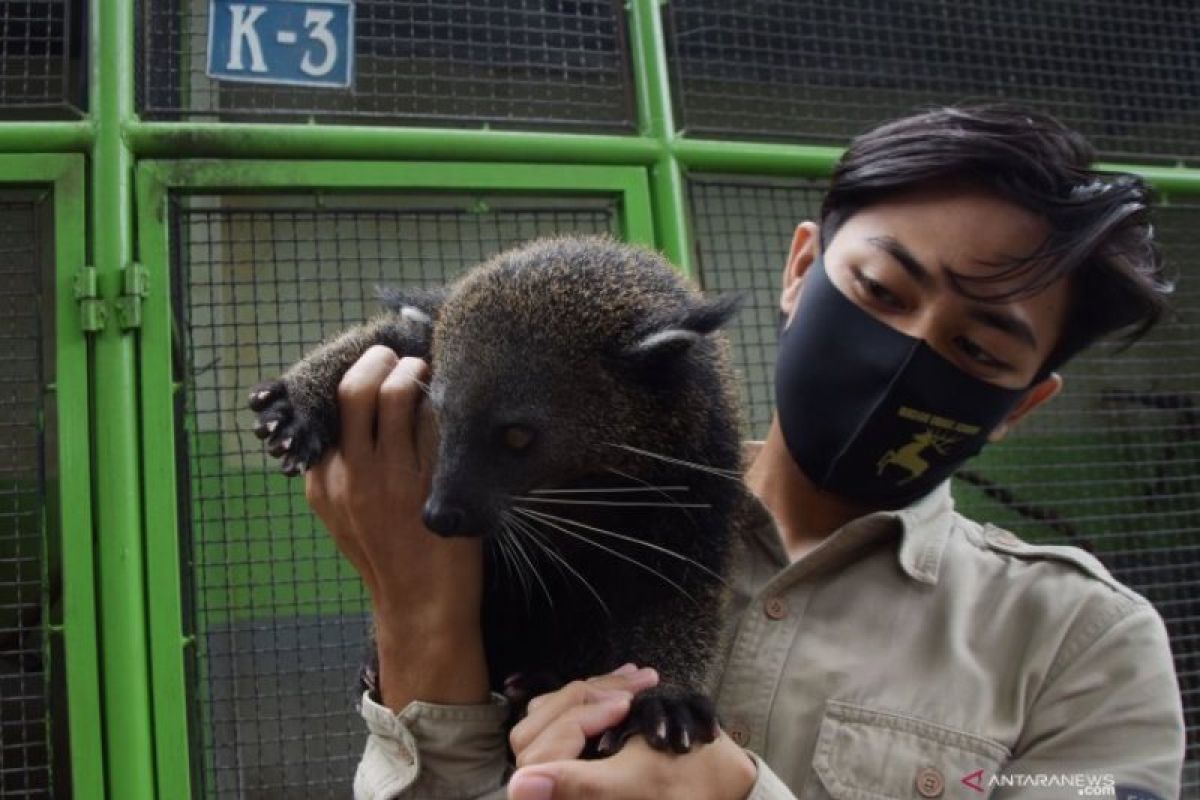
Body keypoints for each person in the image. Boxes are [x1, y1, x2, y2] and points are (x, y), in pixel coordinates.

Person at [304, 107, 1186, 800]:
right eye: (881, 289)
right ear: (802, 267)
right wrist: (421, 618)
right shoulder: (568, 509)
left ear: (1021, 406)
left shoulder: (1083, 645)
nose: (907, 352)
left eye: (982, 352)